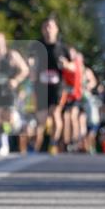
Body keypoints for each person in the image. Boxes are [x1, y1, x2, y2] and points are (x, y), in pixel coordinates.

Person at [32, 16, 74, 154]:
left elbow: (75, 67)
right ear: (42, 30)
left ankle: (53, 142)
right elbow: (29, 59)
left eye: (50, 27)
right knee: (41, 116)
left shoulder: (63, 47)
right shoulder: (37, 45)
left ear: (56, 29)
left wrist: (67, 65)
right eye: (45, 27)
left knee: (55, 113)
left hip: (58, 86)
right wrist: (31, 63)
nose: (48, 30)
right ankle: (37, 145)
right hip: (41, 86)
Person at [0, 32, 30, 155]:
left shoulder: (12, 55)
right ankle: (4, 145)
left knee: (9, 116)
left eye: (0, 40)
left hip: (9, 90)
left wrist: (16, 80)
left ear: (4, 42)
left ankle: (19, 124)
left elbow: (25, 70)